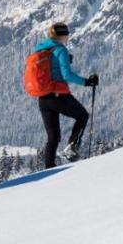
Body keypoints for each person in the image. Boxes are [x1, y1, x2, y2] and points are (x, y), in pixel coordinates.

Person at [32, 22, 98, 168]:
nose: (68, 37)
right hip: (58, 95)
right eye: (67, 34)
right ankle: (72, 147)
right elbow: (66, 75)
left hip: (43, 98)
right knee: (82, 115)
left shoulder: (41, 48)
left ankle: (49, 168)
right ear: (62, 35)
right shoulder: (60, 49)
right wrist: (87, 82)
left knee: (53, 136)